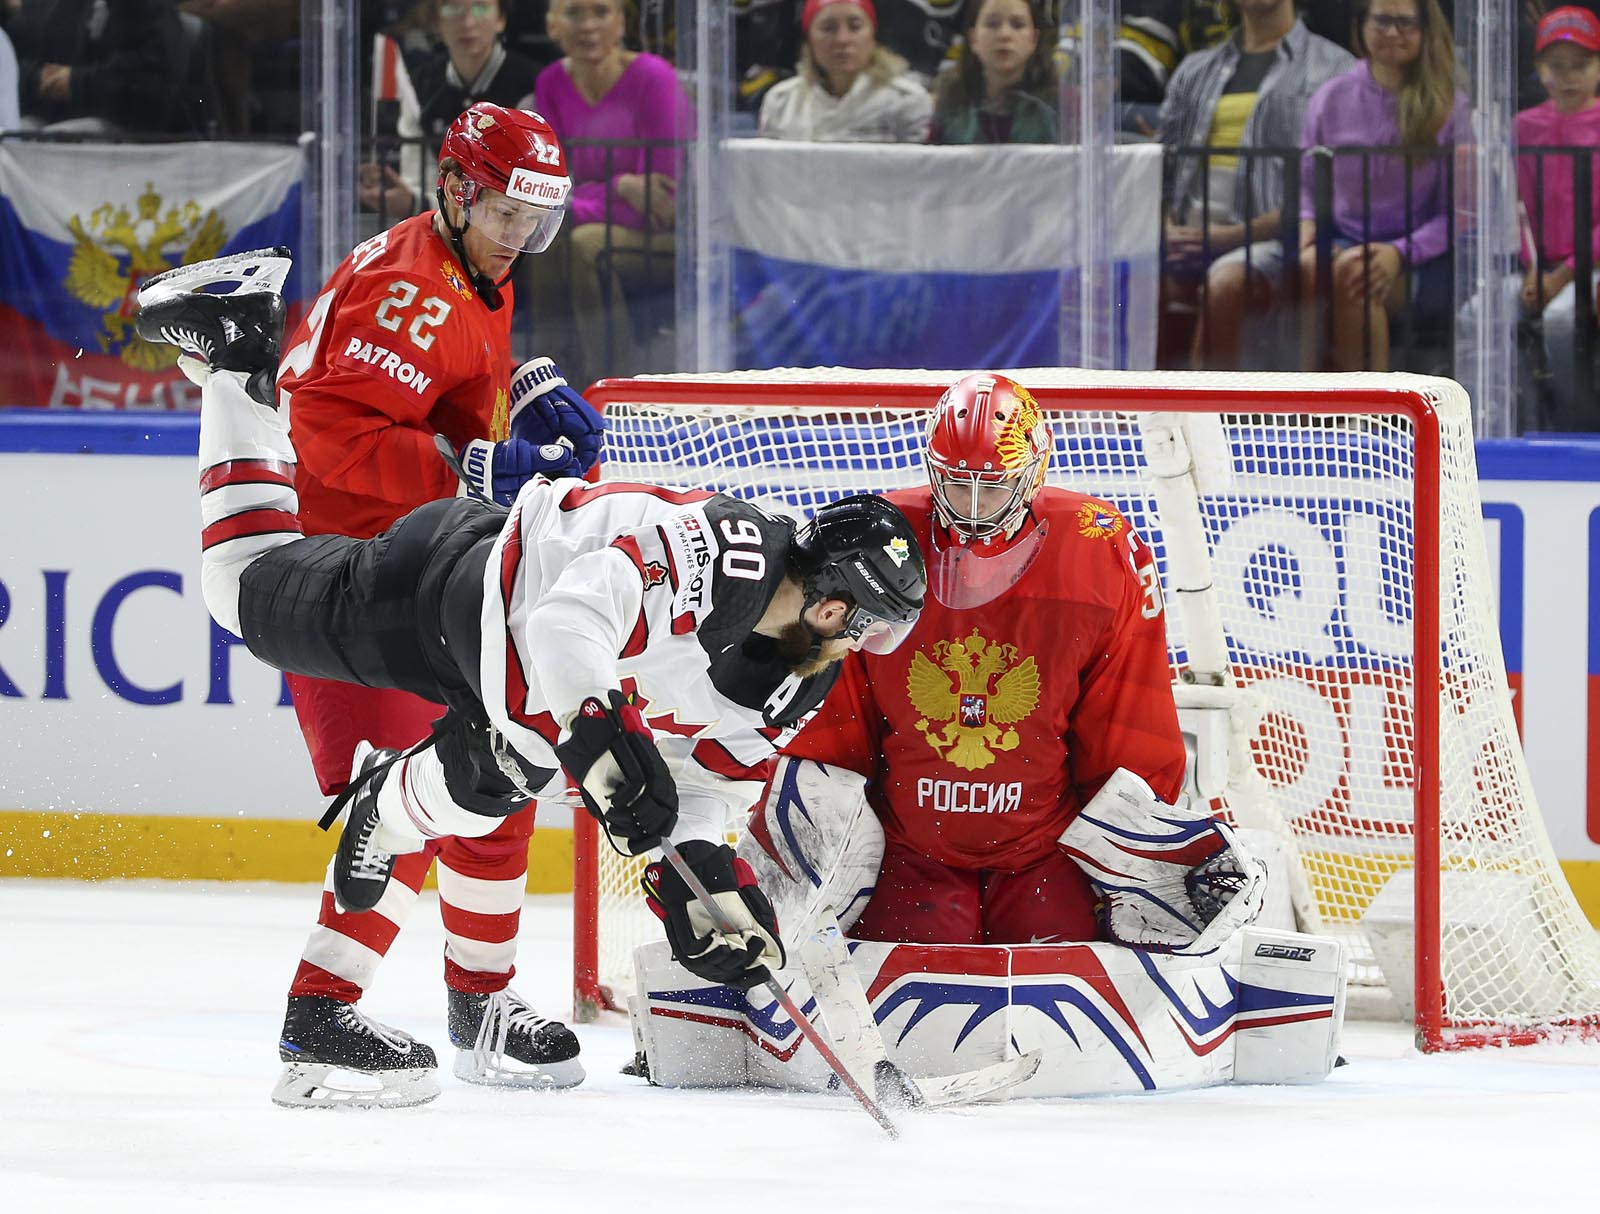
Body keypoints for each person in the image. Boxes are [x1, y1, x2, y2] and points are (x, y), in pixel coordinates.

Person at [136, 243, 926, 1108]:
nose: (867, 648)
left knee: (517, 771)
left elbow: (713, 783)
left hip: (514, 691)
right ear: (832, 606)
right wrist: (605, 733)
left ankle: (467, 1002)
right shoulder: (724, 555)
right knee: (241, 587)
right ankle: (240, 355)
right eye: (872, 626)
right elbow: (566, 623)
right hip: (455, 588)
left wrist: (707, 884)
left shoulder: (798, 675)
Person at [203, 103, 601, 1109]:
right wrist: (475, 460)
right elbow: (329, 433)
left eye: (536, 219)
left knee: (495, 774)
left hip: (415, 574)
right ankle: (320, 1016)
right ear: (458, 190)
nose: (520, 237)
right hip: (342, 578)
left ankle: (483, 1007)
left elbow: (438, 381)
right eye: (507, 212)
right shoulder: (410, 288)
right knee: (400, 804)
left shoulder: (465, 268)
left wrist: (526, 382)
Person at [767, 372, 1235, 947]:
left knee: (1072, 998)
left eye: (991, 487)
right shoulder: (879, 542)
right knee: (899, 1001)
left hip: (1048, 848)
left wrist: (1145, 856)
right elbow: (832, 716)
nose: (970, 507)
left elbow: (1126, 721)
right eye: (955, 484)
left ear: (1033, 473)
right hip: (909, 847)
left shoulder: (1099, 543)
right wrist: (809, 850)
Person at [1157, 0, 1353, 370]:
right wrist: (1165, 228)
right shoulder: (1194, 69)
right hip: (1184, 238)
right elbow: (1161, 166)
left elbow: (1330, 191)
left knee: (1226, 284)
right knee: (1115, 277)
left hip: (1276, 242)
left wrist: (1228, 238)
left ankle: (1206, 420)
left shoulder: (1336, 69)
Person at [525, 0, 692, 383]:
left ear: (621, 23)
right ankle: (550, 387)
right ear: (552, 26)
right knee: (545, 239)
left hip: (672, 241)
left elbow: (661, 205)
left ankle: (612, 391)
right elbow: (549, 189)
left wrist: (577, 201)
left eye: (601, 12)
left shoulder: (655, 78)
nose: (588, 26)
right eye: (574, 14)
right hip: (590, 226)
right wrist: (620, 187)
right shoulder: (551, 82)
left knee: (585, 244)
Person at [1296, 0, 1465, 372]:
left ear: (1426, 30)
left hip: (1425, 256)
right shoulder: (1329, 97)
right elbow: (1308, 185)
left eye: (1405, 23)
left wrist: (1400, 252)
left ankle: (1371, 413)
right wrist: (1308, 228)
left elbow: (1460, 216)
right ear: (1363, 26)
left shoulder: (1452, 107)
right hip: (1345, 238)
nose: (1392, 32)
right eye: (1382, 21)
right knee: (1310, 265)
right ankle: (1308, 404)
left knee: (1354, 273)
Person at [362, 0, 545, 220]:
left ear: (500, 19)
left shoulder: (532, 84)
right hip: (442, 223)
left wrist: (416, 204)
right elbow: (418, 178)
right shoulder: (420, 85)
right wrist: (411, 199)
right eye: (452, 9)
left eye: (480, 8)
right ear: (437, 21)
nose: (467, 23)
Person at [1514, 6, 1600, 424]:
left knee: (1563, 319)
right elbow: (1518, 208)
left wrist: (1563, 274)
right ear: (1538, 68)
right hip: (1539, 267)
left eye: (1580, 65)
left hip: (1589, 267)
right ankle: (1514, 428)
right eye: (1556, 66)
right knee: (1479, 313)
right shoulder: (1523, 127)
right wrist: (1532, 270)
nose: (1567, 77)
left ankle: (1574, 427)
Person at [757, 0, 932, 142]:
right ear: (808, 41)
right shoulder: (781, 102)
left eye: (855, 27)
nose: (842, 39)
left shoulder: (907, 100)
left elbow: (917, 179)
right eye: (828, 28)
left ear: (873, 36)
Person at [8, 0, 185, 132]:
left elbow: (150, 79)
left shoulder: (152, 8)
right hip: (60, 115)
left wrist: (75, 82)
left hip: (130, 126)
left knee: (54, 140)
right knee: (11, 137)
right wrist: (40, 79)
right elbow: (20, 58)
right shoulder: (61, 7)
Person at [928, 0, 1059, 144]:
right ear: (973, 39)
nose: (1004, 35)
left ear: (1034, 39)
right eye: (992, 24)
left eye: (1017, 25)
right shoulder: (950, 101)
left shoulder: (1062, 105)